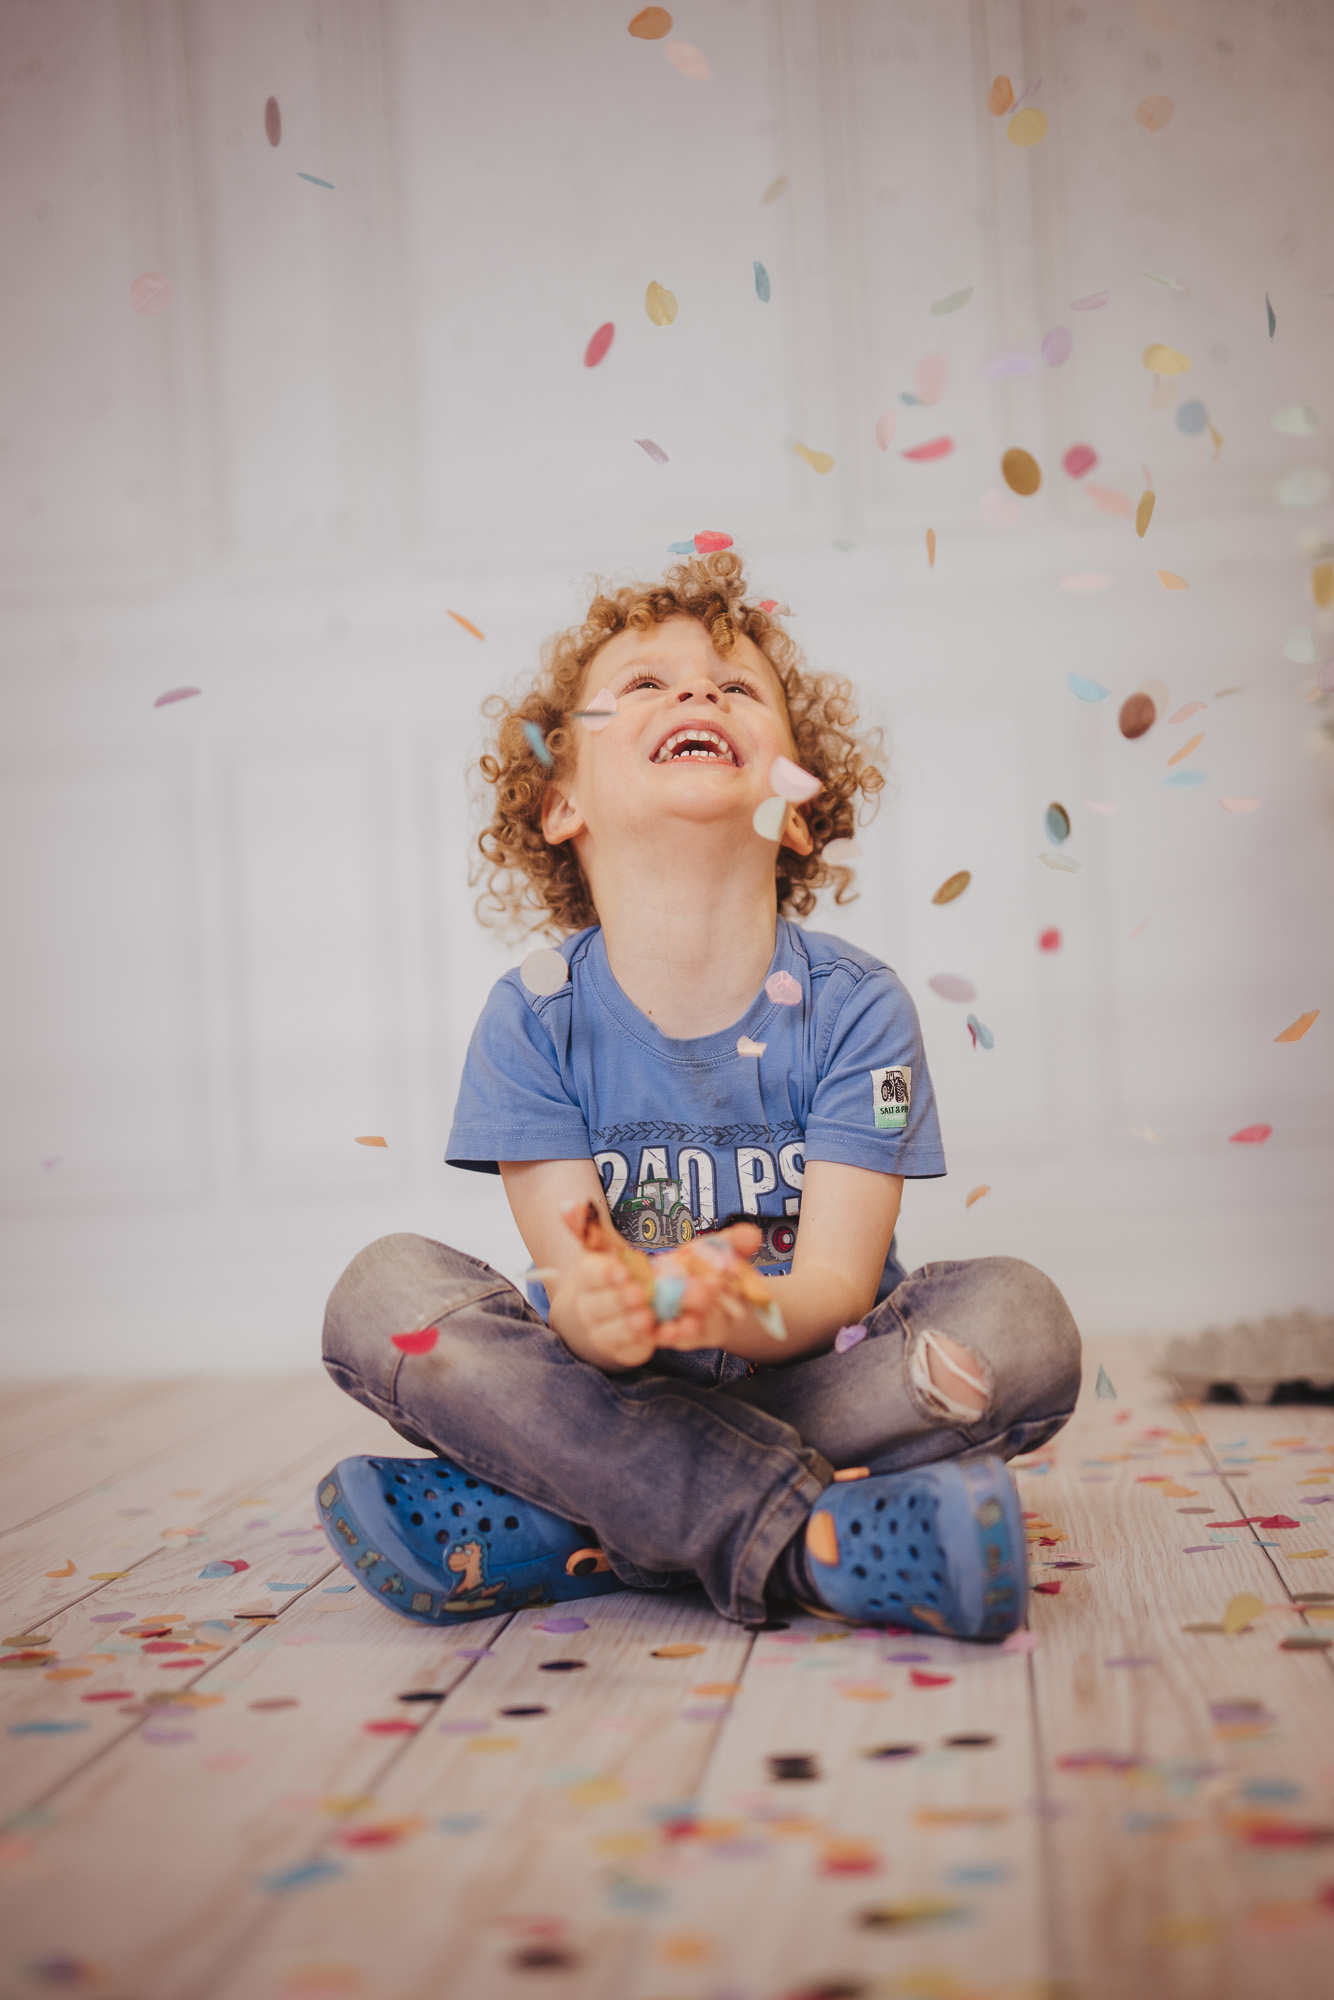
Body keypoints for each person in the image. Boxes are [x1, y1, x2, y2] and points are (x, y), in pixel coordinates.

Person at [317, 554, 1081, 1638]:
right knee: (380, 1293)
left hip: (814, 1377)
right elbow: (578, 1285)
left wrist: (744, 1307)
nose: (695, 695)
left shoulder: (856, 1005)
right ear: (559, 801)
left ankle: (562, 1511)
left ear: (801, 805)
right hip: (613, 1384)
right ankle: (819, 1541)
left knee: (1021, 1320)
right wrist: (611, 1306)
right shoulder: (533, 1014)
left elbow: (829, 1282)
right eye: (643, 684)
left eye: (735, 687)